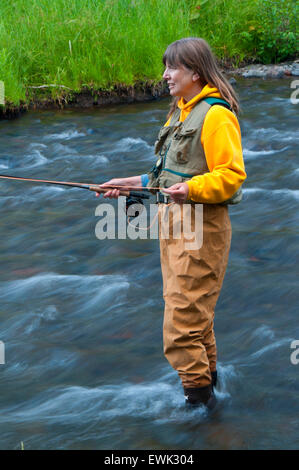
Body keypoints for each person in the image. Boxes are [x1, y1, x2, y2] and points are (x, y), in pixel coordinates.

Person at [98, 37, 246, 409]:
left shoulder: (216, 116)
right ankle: (211, 400)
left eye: (172, 68)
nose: (165, 75)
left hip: (201, 228)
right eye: (166, 67)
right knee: (196, 319)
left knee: (180, 329)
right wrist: (129, 184)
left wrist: (191, 189)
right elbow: (164, 176)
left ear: (195, 72)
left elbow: (232, 175)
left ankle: (198, 411)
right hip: (174, 224)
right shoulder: (180, 111)